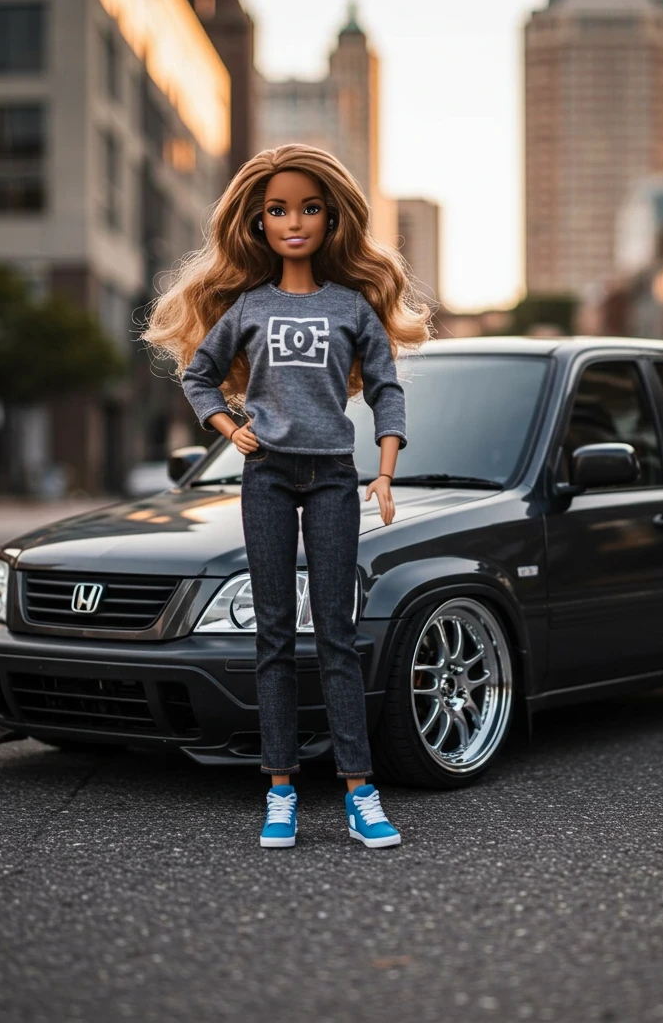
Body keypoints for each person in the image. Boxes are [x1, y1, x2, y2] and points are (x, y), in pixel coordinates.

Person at [142, 144, 431, 848]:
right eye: (278, 210)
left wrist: (385, 470)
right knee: (273, 634)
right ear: (258, 223)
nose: (293, 222)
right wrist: (228, 427)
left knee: (336, 634)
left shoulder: (354, 307)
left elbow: (387, 390)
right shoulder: (247, 306)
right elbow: (199, 376)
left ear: (332, 220)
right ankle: (280, 791)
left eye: (308, 208)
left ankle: (362, 791)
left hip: (334, 474)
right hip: (267, 474)